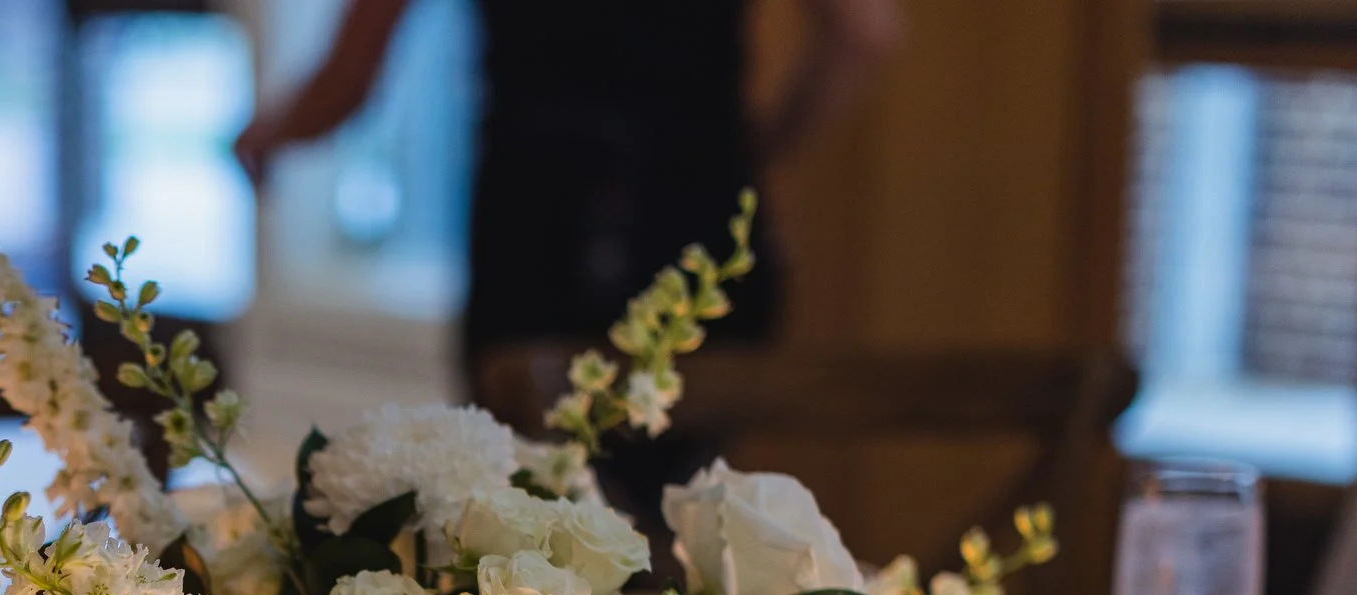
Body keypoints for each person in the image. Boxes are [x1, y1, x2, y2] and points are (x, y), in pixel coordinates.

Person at [235, 0, 902, 371]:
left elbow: (347, 81)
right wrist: (754, 156)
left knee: (529, 549)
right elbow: (863, 34)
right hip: (699, 221)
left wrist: (264, 135)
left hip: (537, 234)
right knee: (681, 528)